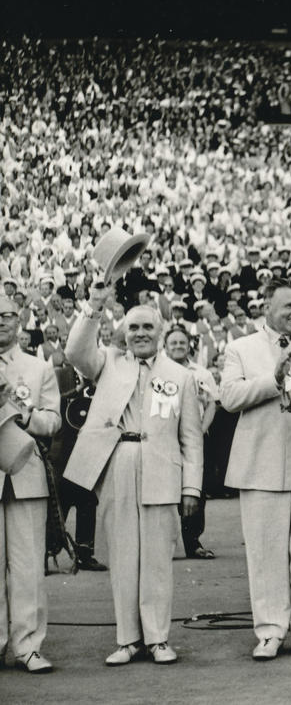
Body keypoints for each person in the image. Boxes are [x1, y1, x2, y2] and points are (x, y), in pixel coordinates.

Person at [63, 284, 203, 665]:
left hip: (162, 465)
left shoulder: (180, 375)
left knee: (158, 555)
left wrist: (192, 487)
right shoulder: (108, 362)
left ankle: (158, 638)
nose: (141, 333)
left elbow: (191, 437)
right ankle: (127, 639)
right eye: (134, 328)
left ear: (161, 333)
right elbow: (75, 351)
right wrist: (94, 305)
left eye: (148, 328)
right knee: (123, 552)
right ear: (123, 333)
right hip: (119, 459)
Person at [220, 278, 291, 661]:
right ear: (266, 307)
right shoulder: (241, 348)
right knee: (265, 552)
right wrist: (272, 380)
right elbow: (230, 398)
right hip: (259, 464)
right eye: (287, 305)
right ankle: (270, 631)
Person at [0, 296, 62, 673]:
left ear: (19, 320)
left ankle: (28, 644)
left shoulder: (38, 368)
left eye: (6, 316)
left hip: (26, 472)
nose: (0, 323)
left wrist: (21, 413)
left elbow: (53, 422)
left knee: (27, 566)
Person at [164, 325, 218, 559]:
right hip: (166, 438)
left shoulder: (201, 373)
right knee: (168, 489)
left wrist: (199, 432)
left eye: (182, 343)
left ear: (189, 346)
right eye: (173, 343)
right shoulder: (160, 372)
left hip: (194, 438)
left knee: (196, 489)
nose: (178, 346)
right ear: (165, 347)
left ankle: (192, 541)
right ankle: (169, 542)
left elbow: (211, 405)